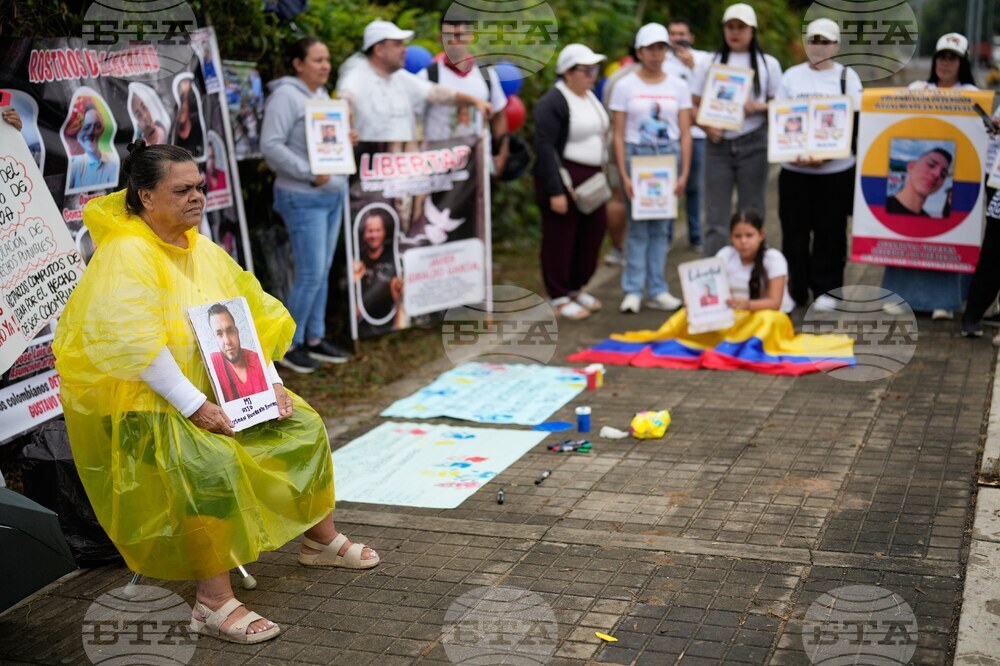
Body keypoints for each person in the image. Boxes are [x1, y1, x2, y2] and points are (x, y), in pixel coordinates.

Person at [52, 142, 379, 646]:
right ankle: (212, 601)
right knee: (210, 466)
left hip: (222, 389)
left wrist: (268, 381)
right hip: (150, 404)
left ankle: (318, 539)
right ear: (145, 196)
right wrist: (196, 407)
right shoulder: (127, 252)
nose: (197, 198)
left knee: (302, 426)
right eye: (181, 190)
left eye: (199, 187)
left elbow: (244, 315)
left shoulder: (200, 247)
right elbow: (138, 349)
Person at [568, 209, 851, 373]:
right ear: (731, 237)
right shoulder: (725, 255)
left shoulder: (774, 258)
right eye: (738, 236)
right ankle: (717, 342)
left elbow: (775, 303)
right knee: (683, 317)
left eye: (749, 236)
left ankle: (739, 348)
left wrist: (744, 304)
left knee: (769, 321)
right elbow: (712, 291)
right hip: (732, 314)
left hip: (761, 314)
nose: (743, 242)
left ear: (761, 235)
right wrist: (697, 305)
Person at [261, 37, 353, 372]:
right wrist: (309, 174)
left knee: (323, 270)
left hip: (331, 195)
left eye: (327, 59)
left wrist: (344, 139)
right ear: (298, 64)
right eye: (317, 60)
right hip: (303, 196)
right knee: (311, 271)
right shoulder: (286, 96)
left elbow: (319, 142)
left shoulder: (320, 97)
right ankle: (289, 345)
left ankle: (314, 338)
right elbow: (270, 145)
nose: (325, 66)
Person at [883, 33, 978, 321]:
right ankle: (899, 296)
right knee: (908, 232)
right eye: (942, 57)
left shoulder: (973, 96)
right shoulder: (917, 88)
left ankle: (945, 301)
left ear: (962, 63)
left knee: (948, 236)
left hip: (959, 179)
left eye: (952, 58)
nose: (945, 64)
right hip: (928, 174)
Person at [776, 18, 863, 311]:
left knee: (831, 232)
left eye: (825, 41)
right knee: (794, 234)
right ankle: (795, 290)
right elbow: (780, 122)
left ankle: (827, 290)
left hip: (835, 173)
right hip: (795, 171)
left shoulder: (847, 78)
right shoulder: (790, 77)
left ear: (836, 45)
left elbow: (854, 125)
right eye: (813, 40)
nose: (818, 46)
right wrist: (794, 153)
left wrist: (827, 156)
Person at [610, 23, 692, 313]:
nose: (656, 54)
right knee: (637, 227)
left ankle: (657, 289)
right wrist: (623, 174)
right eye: (650, 49)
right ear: (639, 51)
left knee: (662, 228)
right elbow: (618, 134)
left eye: (661, 48)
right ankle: (632, 289)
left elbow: (684, 133)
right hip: (637, 157)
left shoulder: (678, 85)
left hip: (668, 157)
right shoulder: (625, 86)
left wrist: (684, 173)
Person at [691, 3, 783, 257]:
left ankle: (752, 271)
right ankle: (713, 277)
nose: (735, 32)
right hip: (717, 145)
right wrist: (707, 126)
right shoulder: (709, 62)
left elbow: (782, 107)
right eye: (730, 27)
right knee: (716, 216)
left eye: (741, 27)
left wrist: (759, 106)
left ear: (752, 30)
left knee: (752, 211)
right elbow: (693, 104)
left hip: (753, 141)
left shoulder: (768, 64)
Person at [532, 43, 610, 320]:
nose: (592, 75)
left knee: (592, 233)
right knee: (561, 237)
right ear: (567, 73)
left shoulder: (589, 97)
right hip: (563, 177)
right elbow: (544, 147)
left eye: (595, 69)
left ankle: (577, 286)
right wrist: (555, 191)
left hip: (592, 179)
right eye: (586, 70)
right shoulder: (552, 102)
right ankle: (559, 294)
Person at [337, 19, 493, 142]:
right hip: (369, 173)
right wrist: (345, 131)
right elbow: (343, 107)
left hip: (401, 170)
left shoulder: (400, 77)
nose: (405, 50)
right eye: (397, 45)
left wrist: (474, 101)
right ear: (379, 50)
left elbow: (437, 93)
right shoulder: (355, 79)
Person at [420, 17, 510, 175]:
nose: (454, 41)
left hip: (477, 166)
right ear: (440, 38)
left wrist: (503, 153)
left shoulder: (486, 75)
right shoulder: (427, 76)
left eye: (459, 35)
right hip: (437, 166)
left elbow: (499, 114)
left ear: (470, 36)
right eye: (449, 36)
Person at [665, 18, 711, 251]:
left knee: (694, 187)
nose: (677, 38)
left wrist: (693, 67)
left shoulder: (704, 59)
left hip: (699, 133)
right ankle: (667, 235)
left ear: (691, 37)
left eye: (681, 33)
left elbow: (714, 92)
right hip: (673, 134)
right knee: (671, 185)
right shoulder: (662, 61)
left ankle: (696, 235)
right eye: (672, 34)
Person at [352, 208, 403, 335]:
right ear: (364, 234)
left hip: (392, 324)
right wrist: (353, 281)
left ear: (384, 232)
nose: (374, 235)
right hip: (363, 326)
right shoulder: (357, 260)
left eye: (378, 230)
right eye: (370, 231)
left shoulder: (394, 257)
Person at [208, 303, 268, 401]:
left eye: (230, 331)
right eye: (219, 334)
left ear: (237, 331)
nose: (227, 341)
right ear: (214, 337)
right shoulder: (212, 364)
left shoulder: (257, 360)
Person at [885, 148, 952, 216]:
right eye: (931, 165)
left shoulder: (929, 222)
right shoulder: (881, 207)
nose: (937, 174)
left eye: (943, 174)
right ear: (911, 167)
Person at [67, 102, 117, 191]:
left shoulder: (113, 162)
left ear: (103, 130)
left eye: (97, 126)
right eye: (86, 127)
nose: (91, 132)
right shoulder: (74, 164)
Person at [170, 78, 204, 158]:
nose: (180, 108)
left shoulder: (202, 127)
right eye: (176, 104)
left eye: (183, 100)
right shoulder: (170, 138)